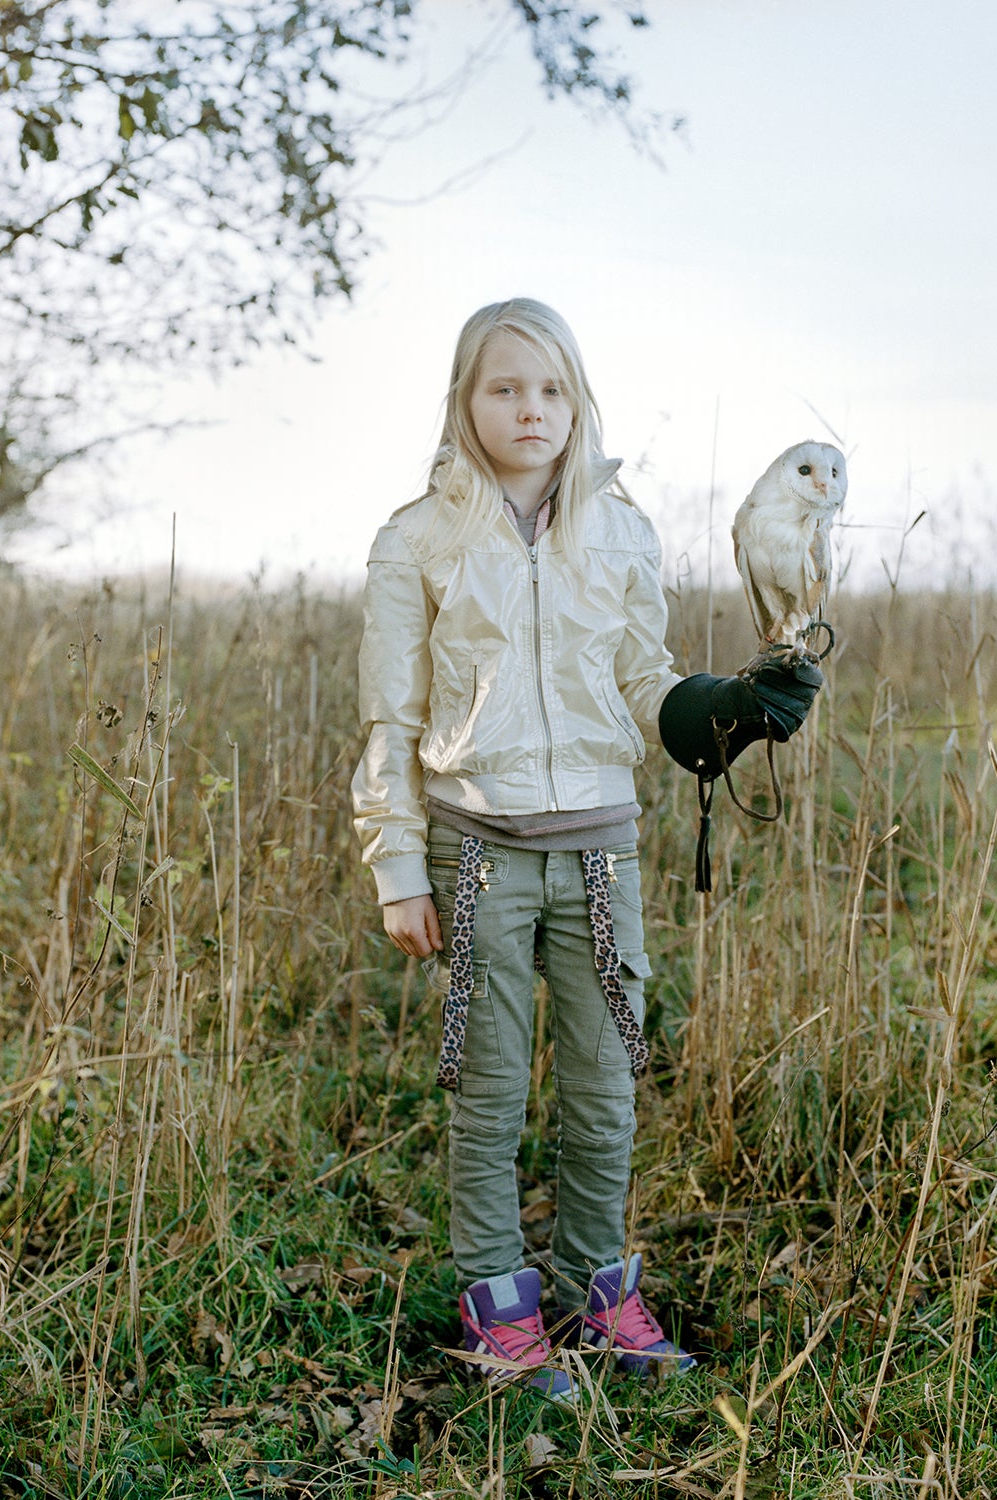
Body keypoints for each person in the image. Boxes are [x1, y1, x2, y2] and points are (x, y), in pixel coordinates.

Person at [351, 297, 819, 1401]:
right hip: (478, 855)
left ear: (579, 401)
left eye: (553, 389)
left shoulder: (622, 529)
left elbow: (643, 681)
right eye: (506, 387)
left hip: (603, 854)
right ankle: (497, 1309)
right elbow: (390, 718)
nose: (532, 409)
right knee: (490, 1085)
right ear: (465, 400)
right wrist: (396, 866)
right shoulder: (415, 541)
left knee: (608, 1084)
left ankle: (599, 1291)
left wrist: (726, 709)